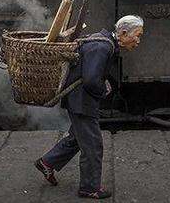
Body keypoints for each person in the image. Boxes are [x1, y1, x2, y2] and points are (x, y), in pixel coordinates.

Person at [35, 15, 144, 199]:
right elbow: (91, 80)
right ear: (124, 33)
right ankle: (89, 187)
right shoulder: (103, 46)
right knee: (93, 145)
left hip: (79, 100)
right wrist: (103, 88)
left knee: (78, 137)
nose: (138, 41)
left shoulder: (104, 42)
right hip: (82, 102)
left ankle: (47, 162)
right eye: (138, 36)